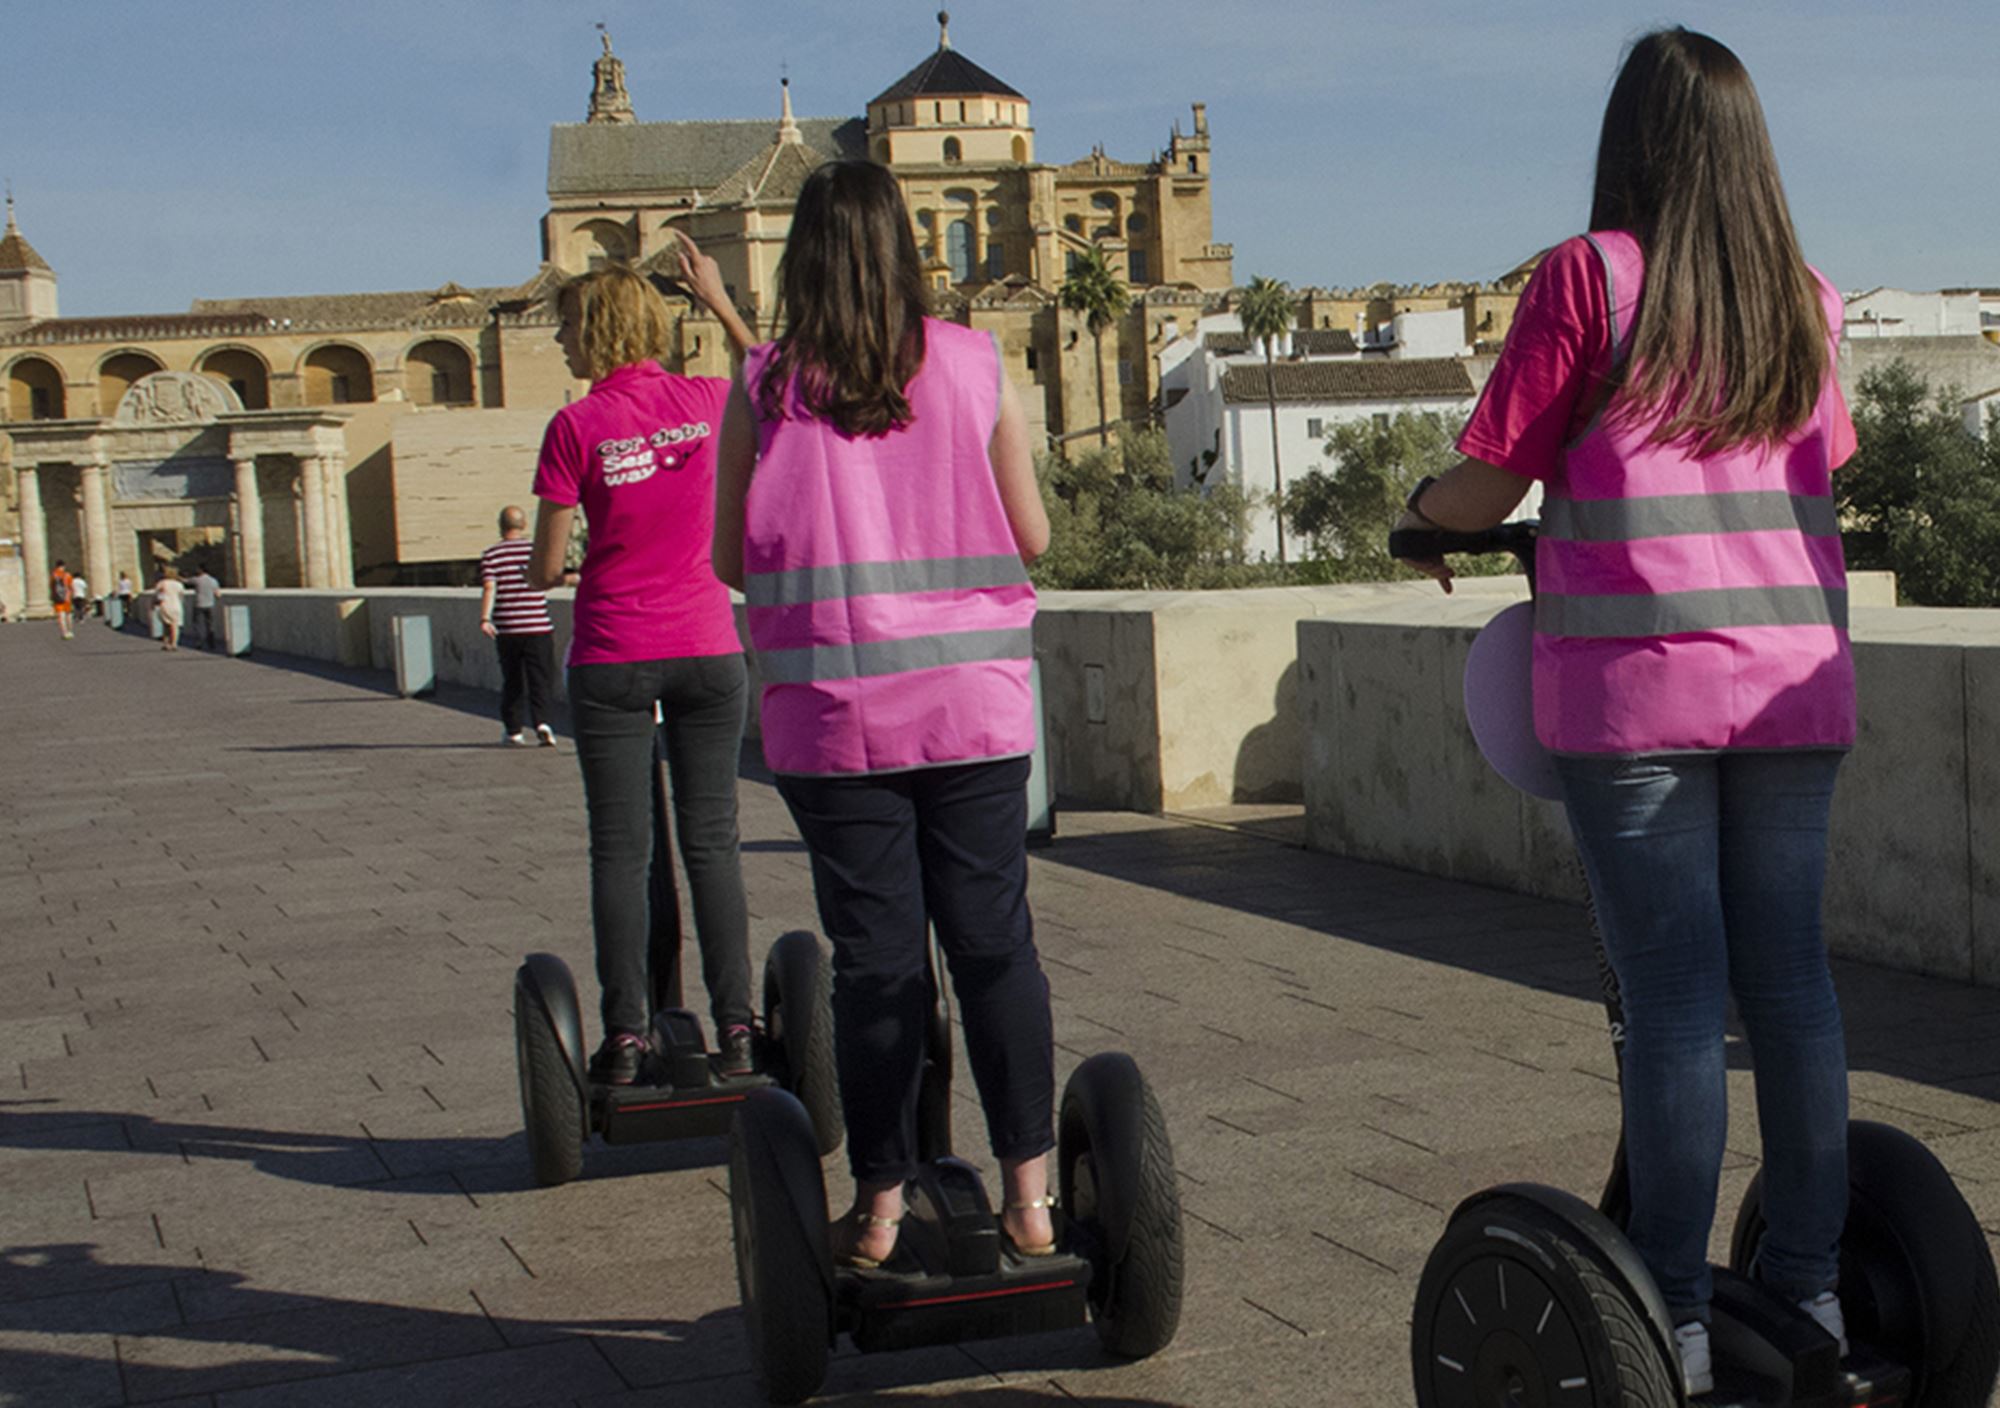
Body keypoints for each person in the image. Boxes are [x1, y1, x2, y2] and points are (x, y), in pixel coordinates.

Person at [1393, 29, 1855, 1395]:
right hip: (1793, 687)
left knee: (1669, 998)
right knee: (1791, 986)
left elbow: (1491, 479)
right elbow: (1838, 451)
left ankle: (1676, 1315)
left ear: (1630, 144)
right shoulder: (1805, 295)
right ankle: (1814, 1291)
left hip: (1638, 696)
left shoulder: (1587, 282)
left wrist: (1418, 517)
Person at [713, 160, 1056, 1269]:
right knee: (993, 943)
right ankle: (1029, 1196)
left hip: (832, 718)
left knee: (875, 961)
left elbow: (728, 554)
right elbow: (1033, 536)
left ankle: (879, 1201)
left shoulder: (762, 383)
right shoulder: (970, 361)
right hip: (970, 707)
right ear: (907, 247)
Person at [527, 232, 761, 1083]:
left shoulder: (574, 426)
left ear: (597, 332)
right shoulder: (705, 399)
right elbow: (774, 379)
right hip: (706, 645)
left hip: (614, 654)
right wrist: (721, 304)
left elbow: (549, 567)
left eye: (567, 331)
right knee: (714, 845)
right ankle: (738, 1025)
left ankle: (626, 1034)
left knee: (621, 852)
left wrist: (577, 550)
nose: (560, 344)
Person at [481, 505, 564, 746]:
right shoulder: (535, 552)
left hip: (508, 628)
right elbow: (549, 579)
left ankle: (514, 730)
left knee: (513, 680)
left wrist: (485, 618)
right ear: (524, 525)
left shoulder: (491, 554)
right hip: (538, 626)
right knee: (540, 678)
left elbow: (489, 587)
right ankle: (543, 722)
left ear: (500, 525)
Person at [153, 566, 187, 652]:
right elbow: (181, 596)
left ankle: (166, 643)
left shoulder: (162, 583)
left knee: (166, 625)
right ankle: (174, 643)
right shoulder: (179, 584)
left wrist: (153, 604)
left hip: (165, 605)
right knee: (175, 625)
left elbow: (157, 595)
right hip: (176, 605)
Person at [188, 567, 221, 649]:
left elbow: (186, 581)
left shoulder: (197, 580)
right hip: (210, 604)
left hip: (199, 604)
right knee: (210, 624)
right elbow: (217, 594)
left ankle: (199, 642)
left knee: (198, 624)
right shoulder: (213, 581)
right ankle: (211, 643)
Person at [49, 560, 74, 640]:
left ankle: (64, 632)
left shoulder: (53, 575)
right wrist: (70, 595)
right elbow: (71, 587)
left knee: (61, 616)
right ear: (64, 566)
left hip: (58, 598)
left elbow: (51, 586)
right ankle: (70, 631)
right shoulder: (67, 575)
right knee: (68, 615)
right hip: (67, 598)